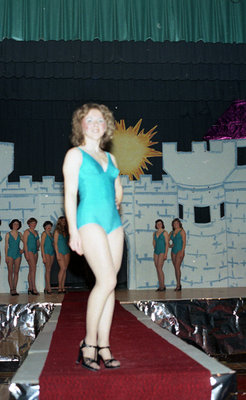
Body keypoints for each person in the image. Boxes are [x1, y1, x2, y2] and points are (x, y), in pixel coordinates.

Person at [63, 103, 124, 371]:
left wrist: (118, 199)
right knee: (107, 279)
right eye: (90, 120)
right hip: (88, 220)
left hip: (114, 223)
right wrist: (73, 231)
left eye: (101, 120)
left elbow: (117, 188)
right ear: (81, 125)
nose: (96, 124)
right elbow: (69, 194)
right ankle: (88, 343)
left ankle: (105, 344)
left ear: (106, 126)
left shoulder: (111, 159)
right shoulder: (75, 155)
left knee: (109, 285)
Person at [5, 219, 23, 295]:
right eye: (15, 224)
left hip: (18, 254)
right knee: (10, 272)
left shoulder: (20, 234)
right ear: (12, 225)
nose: (16, 225)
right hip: (10, 254)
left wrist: (23, 249)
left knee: (16, 272)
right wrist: (6, 256)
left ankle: (15, 289)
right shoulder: (8, 234)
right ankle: (11, 289)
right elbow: (6, 246)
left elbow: (25, 242)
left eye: (17, 224)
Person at [23, 217, 40, 295]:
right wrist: (26, 253)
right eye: (32, 223)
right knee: (33, 269)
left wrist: (38, 246)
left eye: (35, 223)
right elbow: (25, 243)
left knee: (31, 269)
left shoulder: (36, 232)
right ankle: (33, 288)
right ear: (29, 224)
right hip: (29, 251)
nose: (34, 224)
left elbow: (37, 241)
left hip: (35, 251)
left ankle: (30, 287)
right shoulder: (27, 232)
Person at [53, 216, 70, 294]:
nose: (63, 221)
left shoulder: (66, 231)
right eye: (62, 220)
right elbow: (55, 243)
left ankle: (63, 287)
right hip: (60, 251)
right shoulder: (57, 231)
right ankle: (59, 287)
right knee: (62, 268)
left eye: (64, 220)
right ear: (59, 221)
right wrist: (57, 254)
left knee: (65, 269)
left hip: (66, 251)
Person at [169, 218, 186, 291]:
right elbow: (166, 240)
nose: (175, 224)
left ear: (179, 224)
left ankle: (178, 285)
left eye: (177, 223)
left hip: (180, 250)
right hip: (173, 251)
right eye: (174, 223)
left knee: (177, 267)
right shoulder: (171, 232)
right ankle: (178, 284)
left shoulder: (182, 231)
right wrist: (170, 245)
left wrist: (182, 251)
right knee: (176, 268)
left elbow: (184, 242)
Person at [153, 219, 169, 291]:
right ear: (156, 225)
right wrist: (155, 249)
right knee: (157, 269)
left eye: (160, 223)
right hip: (156, 251)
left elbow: (167, 244)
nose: (159, 225)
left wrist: (166, 254)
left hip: (162, 251)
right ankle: (161, 286)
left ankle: (162, 286)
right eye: (157, 224)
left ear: (162, 224)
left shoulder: (165, 233)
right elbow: (154, 242)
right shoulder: (154, 233)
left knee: (159, 268)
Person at [41, 221, 55, 294]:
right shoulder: (44, 234)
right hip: (46, 253)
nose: (49, 227)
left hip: (51, 252)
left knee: (49, 270)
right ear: (45, 227)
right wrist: (43, 256)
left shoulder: (51, 234)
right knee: (48, 270)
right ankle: (48, 287)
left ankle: (46, 287)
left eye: (50, 226)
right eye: (48, 225)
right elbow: (42, 246)